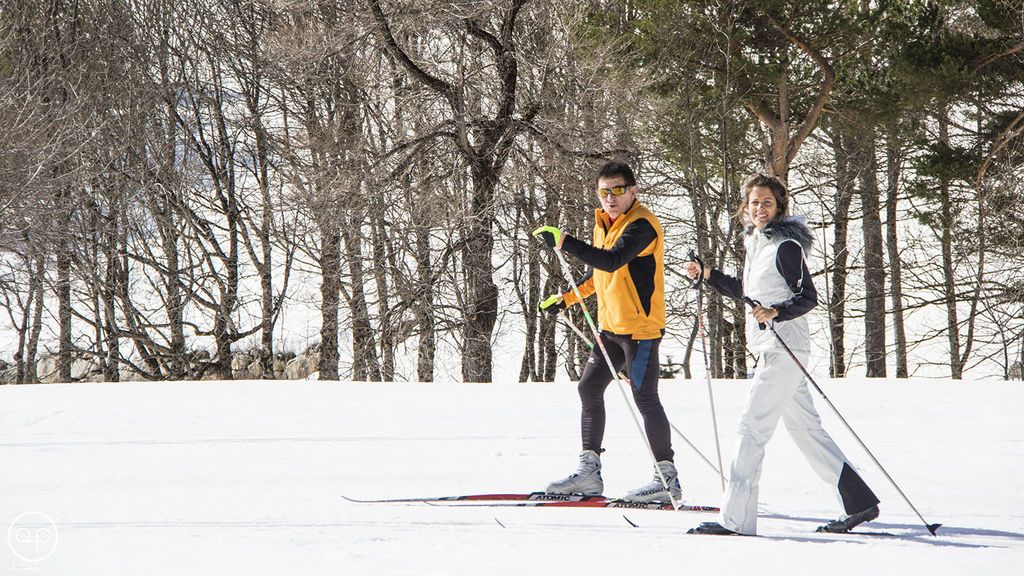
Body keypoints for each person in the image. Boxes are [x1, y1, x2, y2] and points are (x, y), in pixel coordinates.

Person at [686, 173, 880, 535]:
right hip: (773, 349)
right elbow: (746, 290)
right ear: (745, 207)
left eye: (767, 203)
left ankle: (736, 521)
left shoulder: (786, 246)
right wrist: (707, 275)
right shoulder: (757, 245)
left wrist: (777, 311)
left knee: (750, 428)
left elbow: (808, 297)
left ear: (779, 208)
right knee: (805, 429)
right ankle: (860, 503)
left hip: (783, 348)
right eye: (754, 202)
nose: (760, 208)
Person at [531, 160, 680, 503]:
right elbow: (603, 276)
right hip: (611, 328)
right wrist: (566, 299)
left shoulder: (642, 226)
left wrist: (565, 241)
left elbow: (612, 260)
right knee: (589, 387)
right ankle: (589, 474)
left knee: (645, 398)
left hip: (641, 330)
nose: (610, 199)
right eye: (603, 192)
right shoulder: (605, 224)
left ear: (633, 192)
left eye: (617, 191)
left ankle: (666, 480)